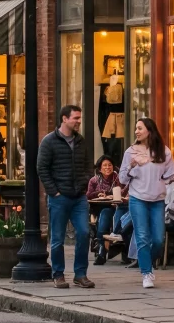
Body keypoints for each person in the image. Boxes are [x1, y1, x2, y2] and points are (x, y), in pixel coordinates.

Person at [117, 117, 174, 288]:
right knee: (142, 237)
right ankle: (146, 273)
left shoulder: (163, 151)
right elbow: (122, 178)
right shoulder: (130, 152)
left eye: (139, 128)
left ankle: (147, 262)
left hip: (157, 200)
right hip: (137, 199)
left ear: (149, 131)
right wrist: (131, 165)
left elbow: (170, 174)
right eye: (136, 128)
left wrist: (170, 179)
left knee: (158, 239)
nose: (136, 131)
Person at [38, 104, 92, 288]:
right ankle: (58, 274)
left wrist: (84, 184)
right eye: (75, 118)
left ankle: (80, 274)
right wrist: (55, 191)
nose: (78, 122)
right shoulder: (49, 141)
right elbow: (42, 168)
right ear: (64, 119)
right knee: (58, 238)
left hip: (79, 197)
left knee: (84, 233)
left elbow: (87, 166)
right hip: (59, 197)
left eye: (79, 118)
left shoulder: (81, 141)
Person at [86, 157, 124, 265]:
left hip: (115, 208)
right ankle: (102, 247)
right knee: (102, 215)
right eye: (105, 165)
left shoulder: (118, 178)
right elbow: (88, 195)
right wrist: (98, 193)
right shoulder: (94, 180)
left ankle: (101, 250)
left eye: (110, 165)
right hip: (98, 208)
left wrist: (110, 195)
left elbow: (124, 191)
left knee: (105, 214)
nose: (108, 167)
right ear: (100, 168)